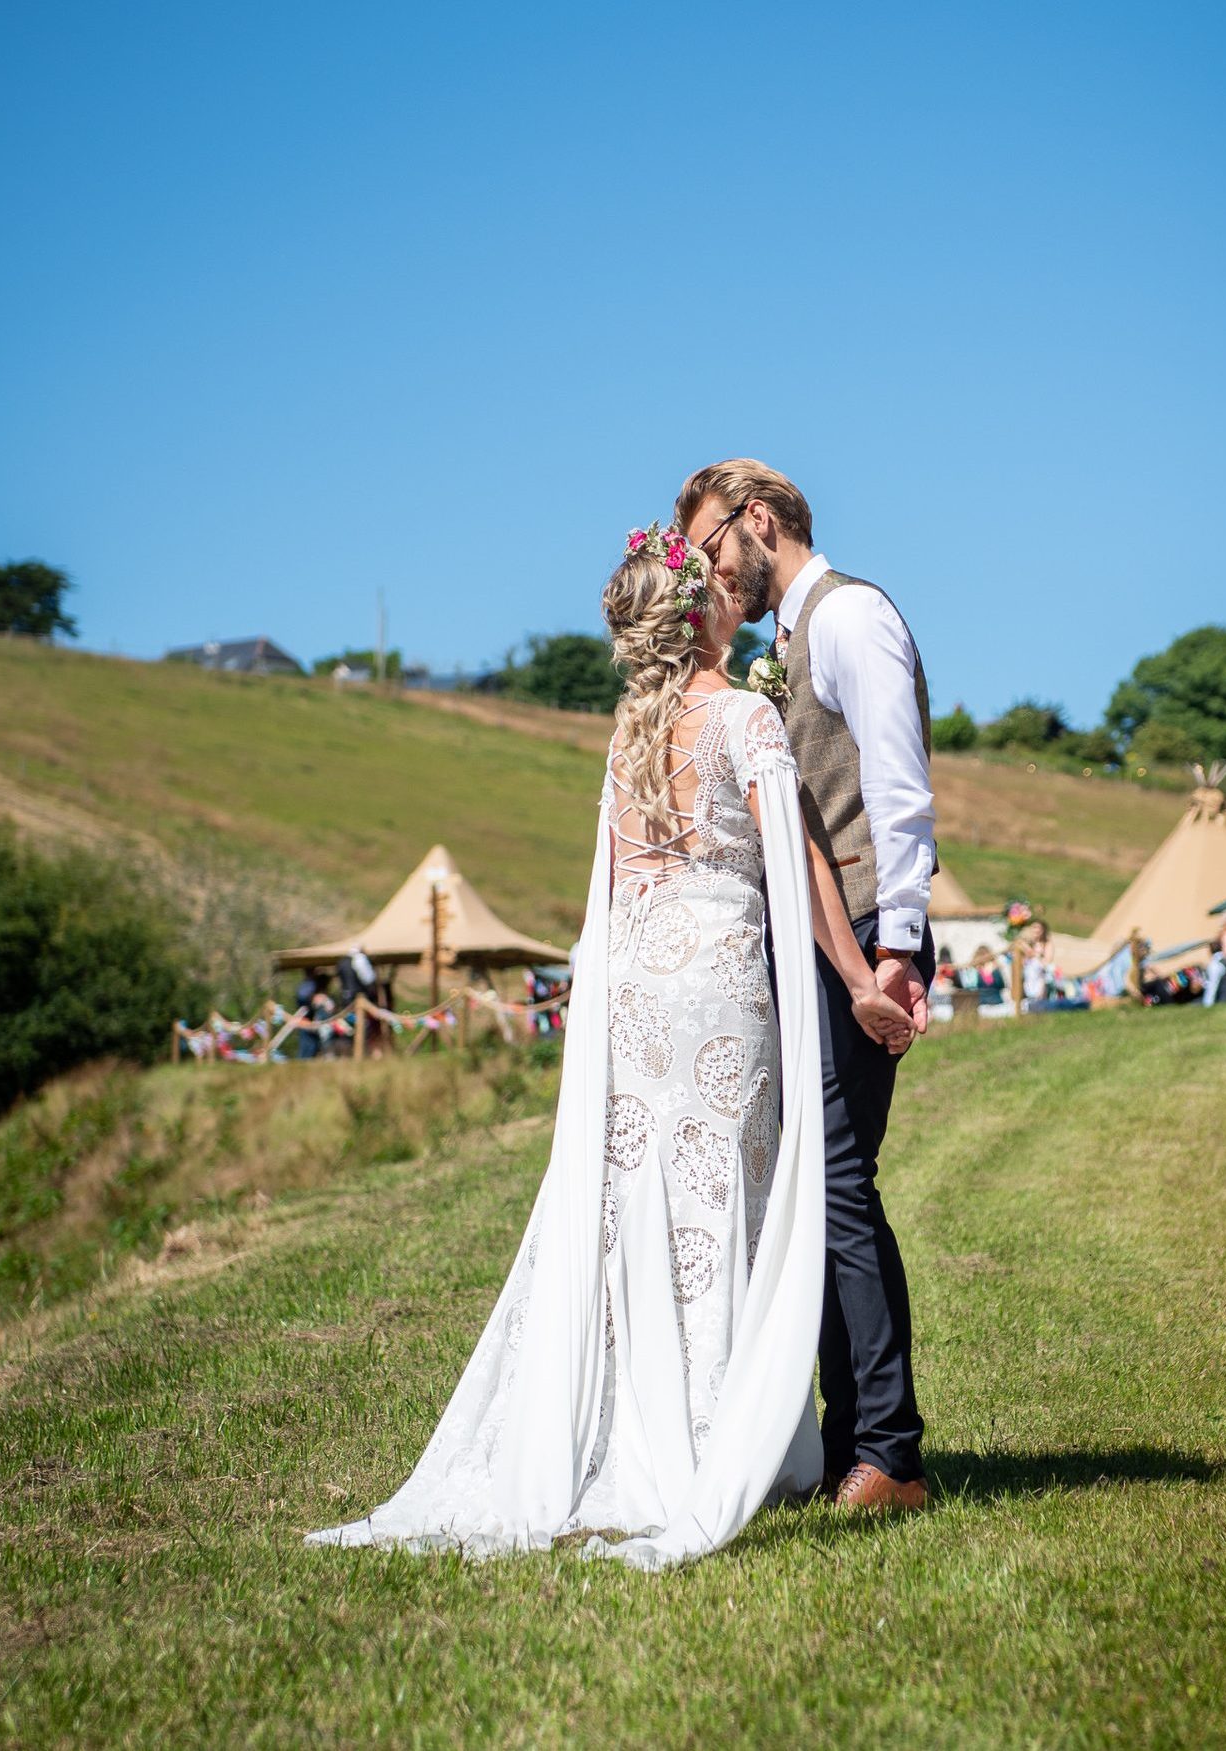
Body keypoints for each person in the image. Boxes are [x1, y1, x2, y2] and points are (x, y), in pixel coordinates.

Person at [304, 521, 911, 1571]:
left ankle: (631, 1429)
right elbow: (799, 864)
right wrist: (858, 979)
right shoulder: (743, 717)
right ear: (702, 617)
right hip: (718, 980)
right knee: (723, 1196)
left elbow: (617, 881)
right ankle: (724, 1439)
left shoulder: (629, 734)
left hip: (636, 980)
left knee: (641, 1203)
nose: (731, 595)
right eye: (716, 588)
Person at [677, 459, 936, 1512]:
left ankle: (891, 1453)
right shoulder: (785, 643)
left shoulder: (851, 616)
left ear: (758, 520)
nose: (703, 570)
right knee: (823, 1182)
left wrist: (901, 941)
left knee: (838, 1178)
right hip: (814, 934)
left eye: (708, 545)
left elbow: (898, 782)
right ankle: (847, 1448)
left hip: (869, 926)